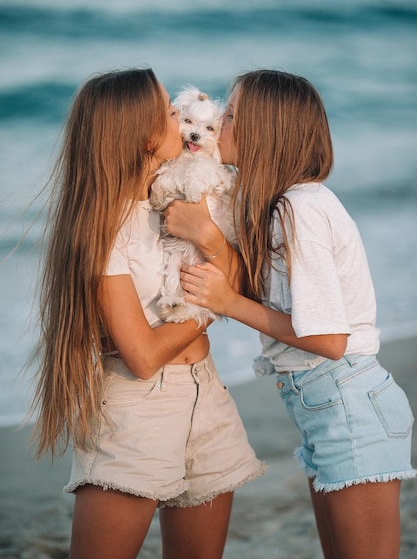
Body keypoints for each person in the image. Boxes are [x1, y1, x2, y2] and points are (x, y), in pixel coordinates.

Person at [165, 69, 417, 559]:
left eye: (232, 116)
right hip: (330, 405)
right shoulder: (286, 204)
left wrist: (227, 303)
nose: (221, 122)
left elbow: (328, 339)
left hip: (347, 404)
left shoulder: (296, 209)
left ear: (266, 132)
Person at [28, 68, 264, 559]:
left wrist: (212, 241)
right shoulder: (105, 229)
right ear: (140, 134)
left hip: (207, 392)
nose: (179, 117)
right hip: (136, 410)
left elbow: (247, 283)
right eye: (167, 111)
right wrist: (213, 305)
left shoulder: (179, 198)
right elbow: (141, 355)